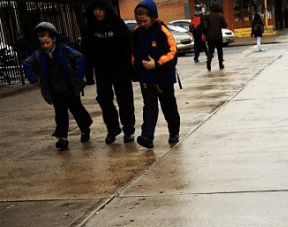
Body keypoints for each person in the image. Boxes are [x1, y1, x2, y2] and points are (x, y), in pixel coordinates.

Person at [23, 22, 92, 151]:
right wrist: (33, 79)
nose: (45, 46)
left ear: (54, 39)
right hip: (55, 89)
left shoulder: (64, 49)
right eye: (42, 44)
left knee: (77, 110)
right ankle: (63, 137)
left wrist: (78, 76)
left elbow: (80, 58)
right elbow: (27, 63)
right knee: (60, 114)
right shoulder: (39, 54)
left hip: (70, 87)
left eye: (47, 42)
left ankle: (84, 129)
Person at [81, 0, 136, 144]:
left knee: (125, 99)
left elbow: (127, 47)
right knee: (104, 98)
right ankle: (112, 129)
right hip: (101, 69)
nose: (98, 12)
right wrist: (87, 73)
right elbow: (86, 51)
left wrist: (129, 68)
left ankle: (128, 129)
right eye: (95, 9)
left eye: (101, 9)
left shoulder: (117, 24)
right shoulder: (90, 27)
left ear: (107, 10)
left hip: (120, 68)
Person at [131, 0, 181, 149]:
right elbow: (134, 53)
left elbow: (173, 52)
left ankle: (174, 132)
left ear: (152, 17)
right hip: (146, 77)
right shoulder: (137, 32)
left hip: (163, 75)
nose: (142, 24)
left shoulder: (162, 30)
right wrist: (138, 68)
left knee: (168, 105)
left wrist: (157, 63)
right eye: (139, 21)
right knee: (149, 107)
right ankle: (147, 136)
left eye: (145, 20)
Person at [203, 2, 228, 71]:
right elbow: (225, 25)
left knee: (211, 50)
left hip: (210, 36)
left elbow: (204, 26)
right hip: (218, 36)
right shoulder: (220, 16)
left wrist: (205, 33)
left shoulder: (207, 15)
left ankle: (209, 61)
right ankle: (221, 64)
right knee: (220, 50)